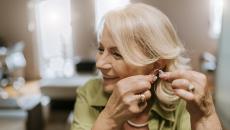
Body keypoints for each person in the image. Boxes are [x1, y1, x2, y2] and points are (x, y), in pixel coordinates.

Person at [71, 3, 222, 130]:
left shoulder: (182, 100)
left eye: (117, 54)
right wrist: (109, 118)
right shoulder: (89, 92)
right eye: (101, 49)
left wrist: (206, 115)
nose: (99, 63)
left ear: (156, 65)